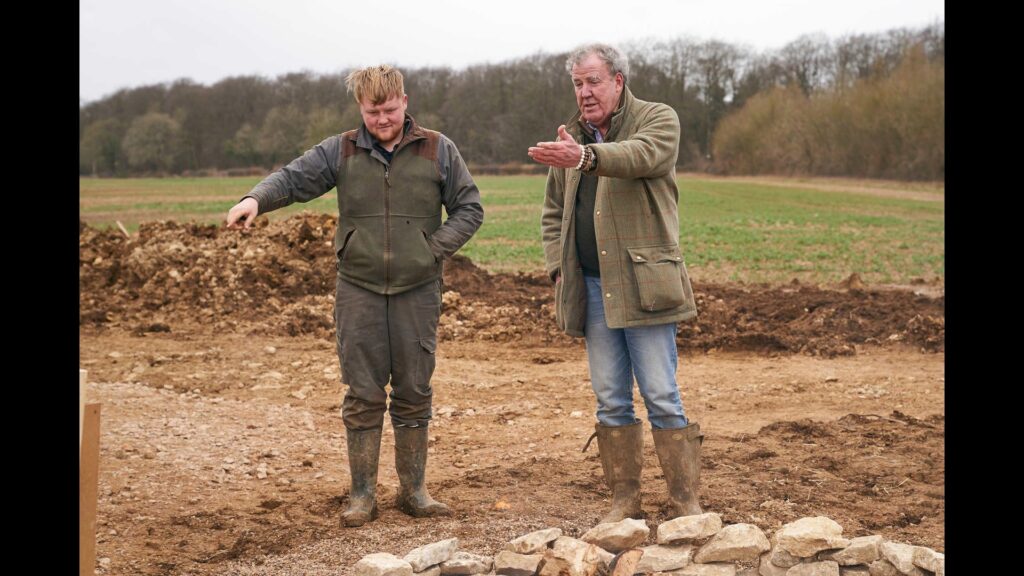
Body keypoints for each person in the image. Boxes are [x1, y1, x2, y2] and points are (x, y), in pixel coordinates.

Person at [225, 64, 484, 527]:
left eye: (389, 109)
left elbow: (469, 208)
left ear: (405, 102)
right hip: (359, 289)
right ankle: (362, 494)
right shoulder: (340, 150)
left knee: (413, 389)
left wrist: (432, 250)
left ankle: (415, 491)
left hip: (418, 289)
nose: (382, 119)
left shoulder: (438, 149)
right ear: (359, 108)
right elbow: (291, 178)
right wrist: (255, 200)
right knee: (363, 393)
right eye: (372, 111)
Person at [528, 43, 702, 523]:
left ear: (618, 81)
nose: (585, 93)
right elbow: (551, 213)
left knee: (662, 394)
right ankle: (624, 502)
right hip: (591, 287)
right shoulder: (572, 140)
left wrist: (584, 156)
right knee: (610, 398)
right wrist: (557, 267)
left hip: (646, 286)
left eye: (594, 81)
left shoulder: (656, 119)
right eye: (578, 84)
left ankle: (685, 501)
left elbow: (640, 156)